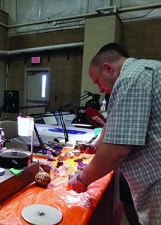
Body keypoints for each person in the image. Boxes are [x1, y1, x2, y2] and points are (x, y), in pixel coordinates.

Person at [68, 43, 161, 225]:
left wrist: (82, 179)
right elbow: (114, 124)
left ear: (108, 69)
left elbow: (116, 150)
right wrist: (95, 147)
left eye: (98, 82)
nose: (100, 90)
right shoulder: (144, 71)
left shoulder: (130, 79)